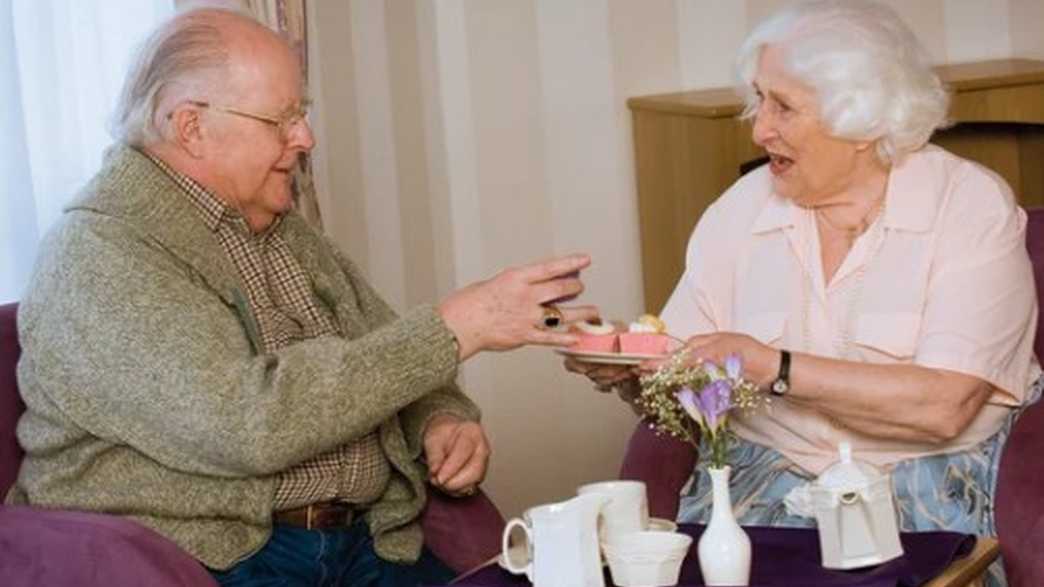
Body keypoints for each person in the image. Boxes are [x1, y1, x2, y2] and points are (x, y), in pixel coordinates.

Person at [7, 6, 596, 586]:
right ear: (191, 127)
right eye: (281, 119)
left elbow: (384, 352)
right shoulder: (101, 252)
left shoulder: (280, 227)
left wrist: (442, 419)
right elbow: (249, 423)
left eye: (303, 113)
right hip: (214, 559)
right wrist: (455, 327)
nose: (306, 138)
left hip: (361, 544)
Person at [567, 2, 1039, 585]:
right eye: (759, 99)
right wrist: (634, 373)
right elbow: (689, 405)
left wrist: (775, 366)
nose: (760, 127)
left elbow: (945, 407)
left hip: (924, 490)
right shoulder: (740, 209)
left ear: (861, 120)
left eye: (783, 106)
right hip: (758, 490)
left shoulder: (967, 207)